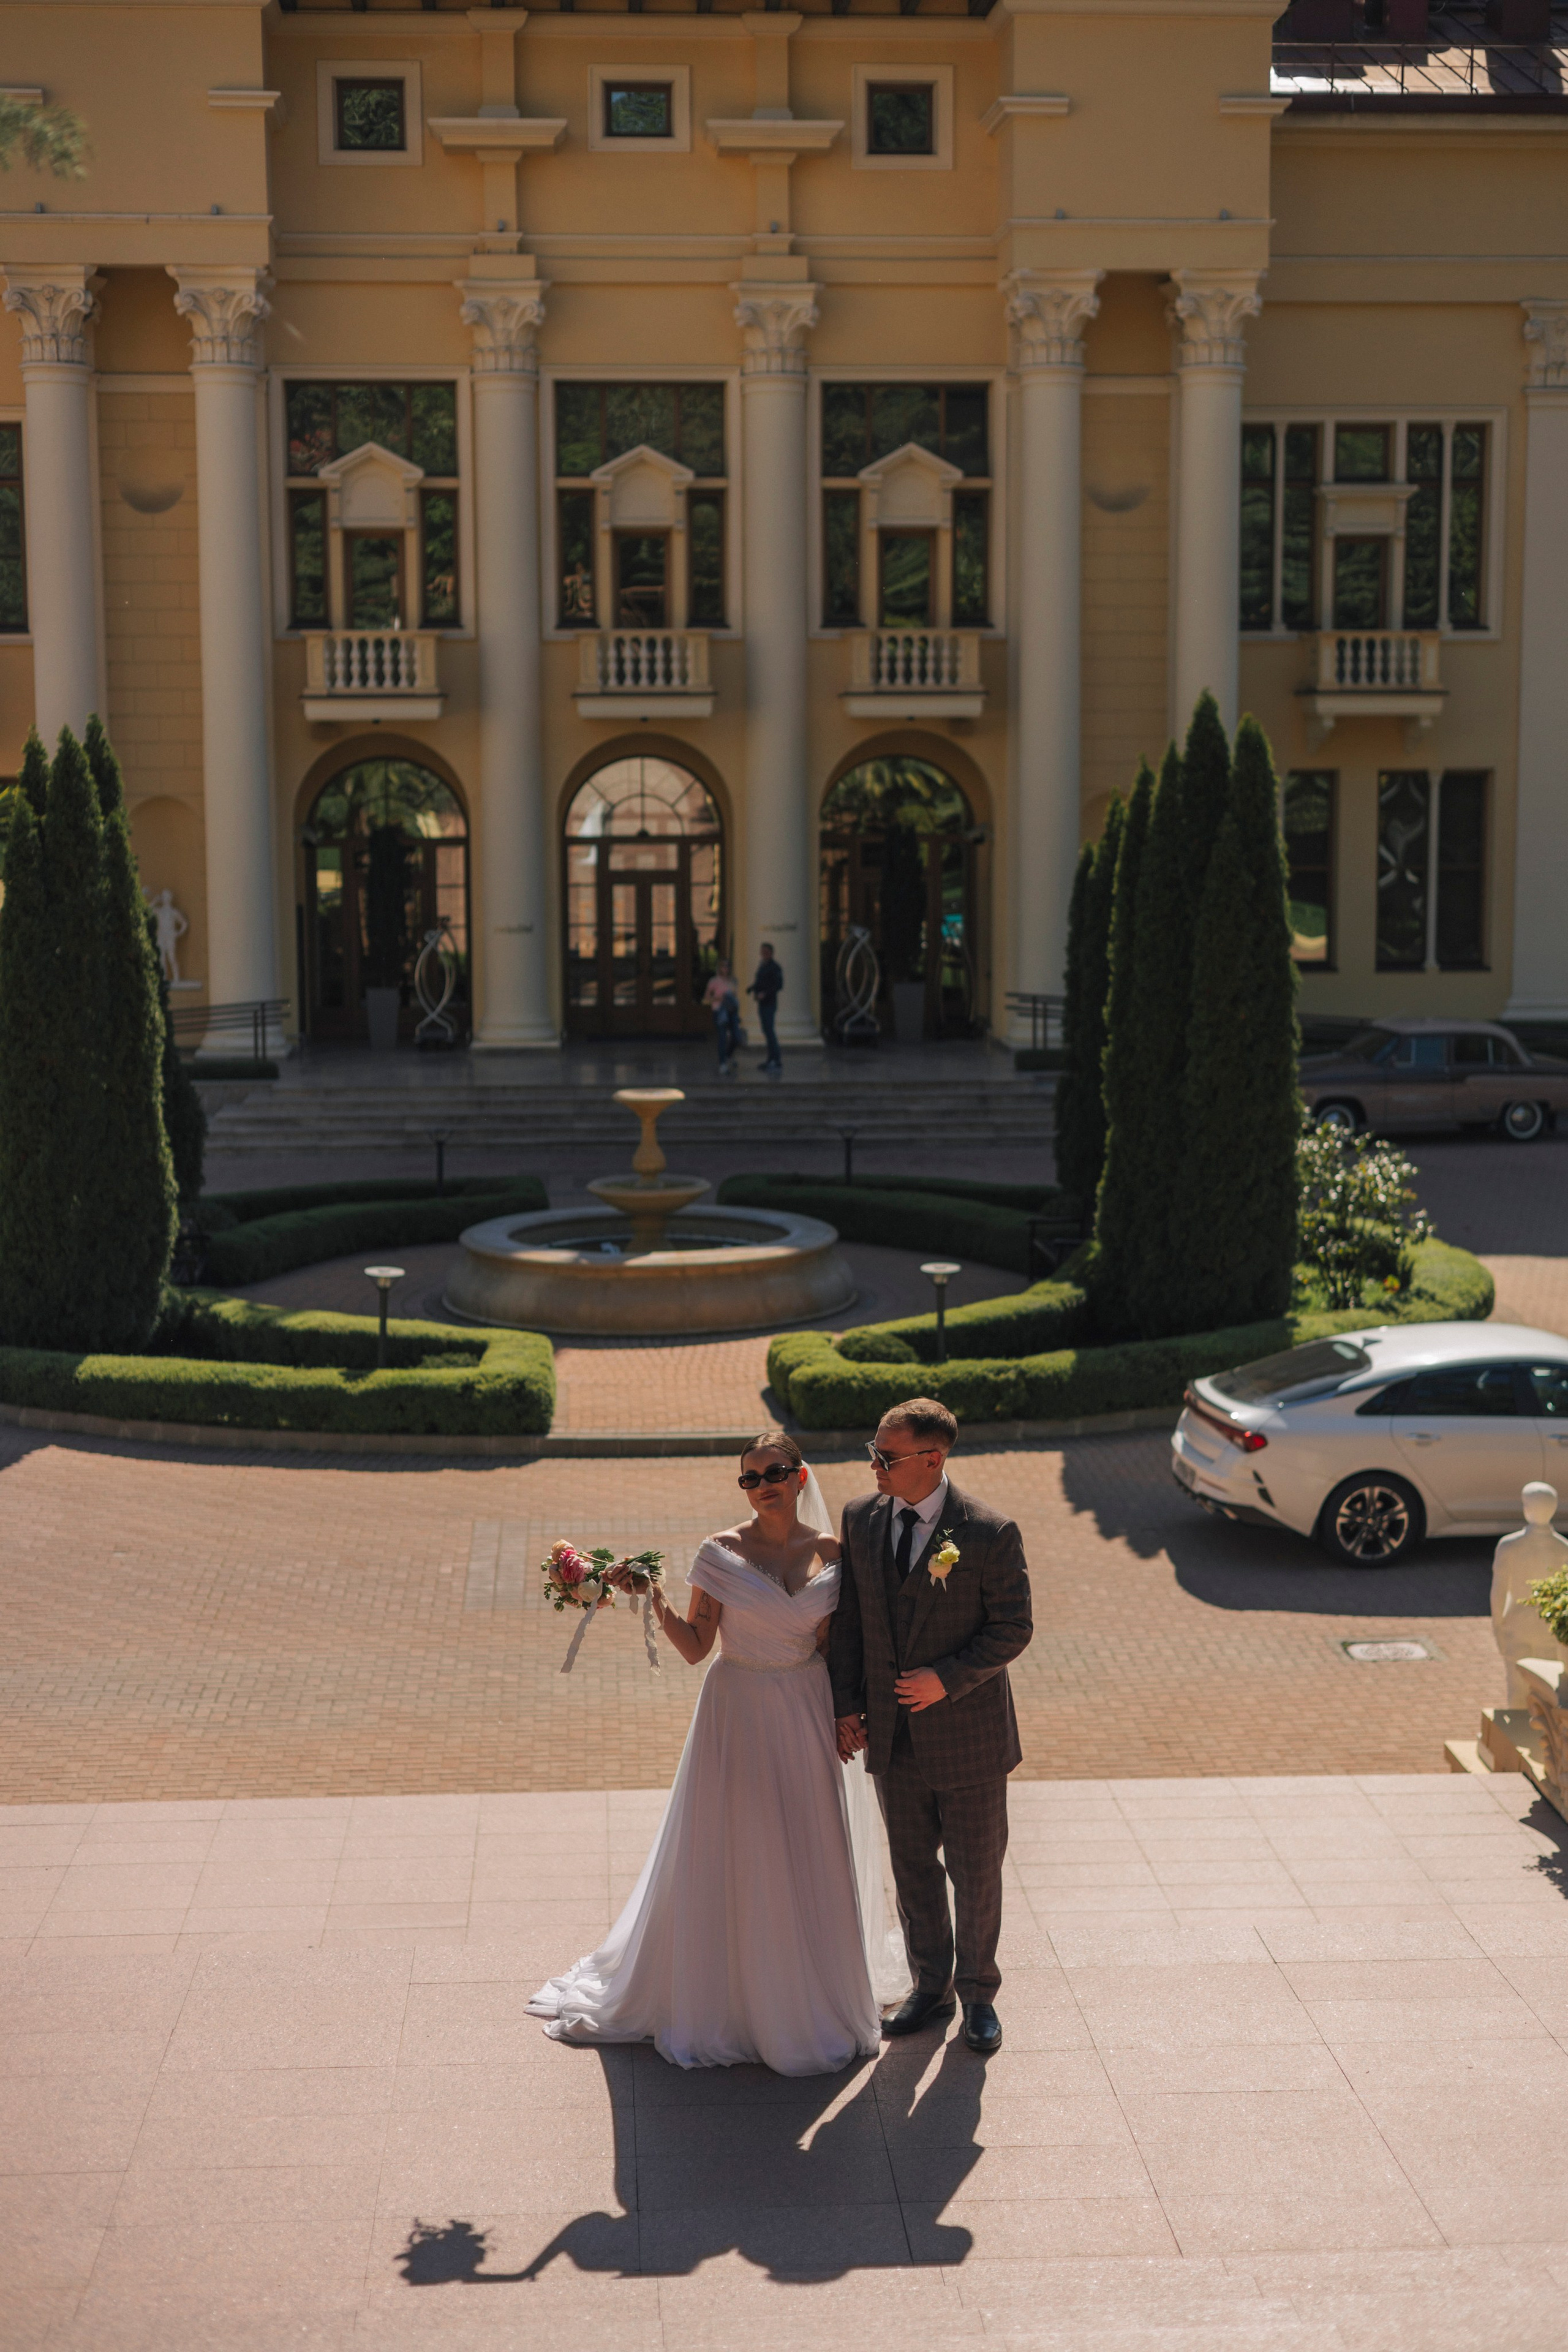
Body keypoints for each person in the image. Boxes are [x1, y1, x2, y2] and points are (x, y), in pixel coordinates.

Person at [529, 1432, 908, 2075]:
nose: (763, 1485)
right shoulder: (719, 1552)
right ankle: (735, 2000)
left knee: (806, 1843)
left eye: (774, 1473)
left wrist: (852, 1714)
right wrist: (652, 1597)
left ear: (799, 1476)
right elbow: (694, 1647)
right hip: (736, 1712)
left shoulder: (832, 1552)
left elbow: (838, 1645)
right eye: (750, 1477)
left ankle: (806, 1991)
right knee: (742, 1844)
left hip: (805, 1707)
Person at [829, 1397, 1033, 2057]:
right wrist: (846, 1704)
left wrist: (946, 1677)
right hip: (893, 1737)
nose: (874, 1467)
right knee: (913, 1869)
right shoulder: (861, 1519)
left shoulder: (987, 1532)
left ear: (933, 1458)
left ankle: (978, 1996)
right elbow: (852, 1622)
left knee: (976, 1874)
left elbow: (1012, 1629)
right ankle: (930, 1987)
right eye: (874, 1454)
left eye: (886, 1457)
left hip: (969, 1740)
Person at [747, 941, 784, 1076]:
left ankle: (776, 1060)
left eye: (765, 951)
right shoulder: (763, 966)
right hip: (762, 1004)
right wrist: (752, 989)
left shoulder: (775, 967)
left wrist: (765, 994)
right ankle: (770, 1060)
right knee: (766, 1031)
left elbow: (778, 985)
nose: (763, 954)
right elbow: (760, 982)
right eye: (762, 951)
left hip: (769, 1004)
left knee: (770, 1031)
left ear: (771, 953)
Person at [702, 957, 742, 1076]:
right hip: (719, 1011)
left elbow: (735, 996)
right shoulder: (714, 981)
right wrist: (719, 998)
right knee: (723, 1038)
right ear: (719, 968)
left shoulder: (733, 981)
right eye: (724, 966)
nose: (726, 968)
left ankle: (728, 1055)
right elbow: (706, 998)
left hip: (732, 1011)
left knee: (736, 1036)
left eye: (728, 966)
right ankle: (722, 1064)